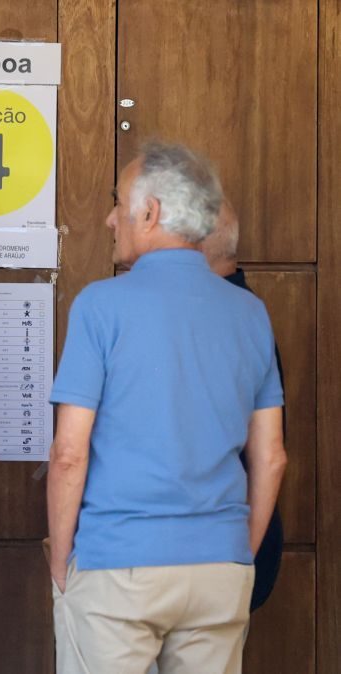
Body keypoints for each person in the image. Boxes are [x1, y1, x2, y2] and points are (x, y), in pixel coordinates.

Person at [47, 141, 287, 674]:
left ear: (150, 213)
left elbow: (68, 453)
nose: (110, 219)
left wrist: (63, 564)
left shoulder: (99, 306)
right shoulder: (250, 313)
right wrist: (237, 553)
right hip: (219, 566)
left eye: (118, 203)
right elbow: (270, 458)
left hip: (118, 564)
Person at [202, 200, 286, 613]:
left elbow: (268, 458)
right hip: (240, 547)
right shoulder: (252, 314)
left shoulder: (225, 320)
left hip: (216, 550)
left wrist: (240, 559)